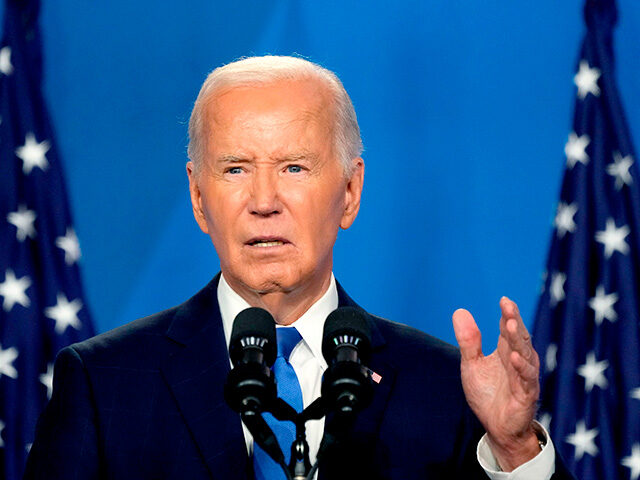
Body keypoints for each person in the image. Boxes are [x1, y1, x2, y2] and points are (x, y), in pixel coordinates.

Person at [24, 56, 574, 479]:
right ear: (197, 197)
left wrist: (513, 449)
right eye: (235, 169)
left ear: (351, 192)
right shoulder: (103, 384)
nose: (264, 200)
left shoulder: (442, 388)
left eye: (294, 166)